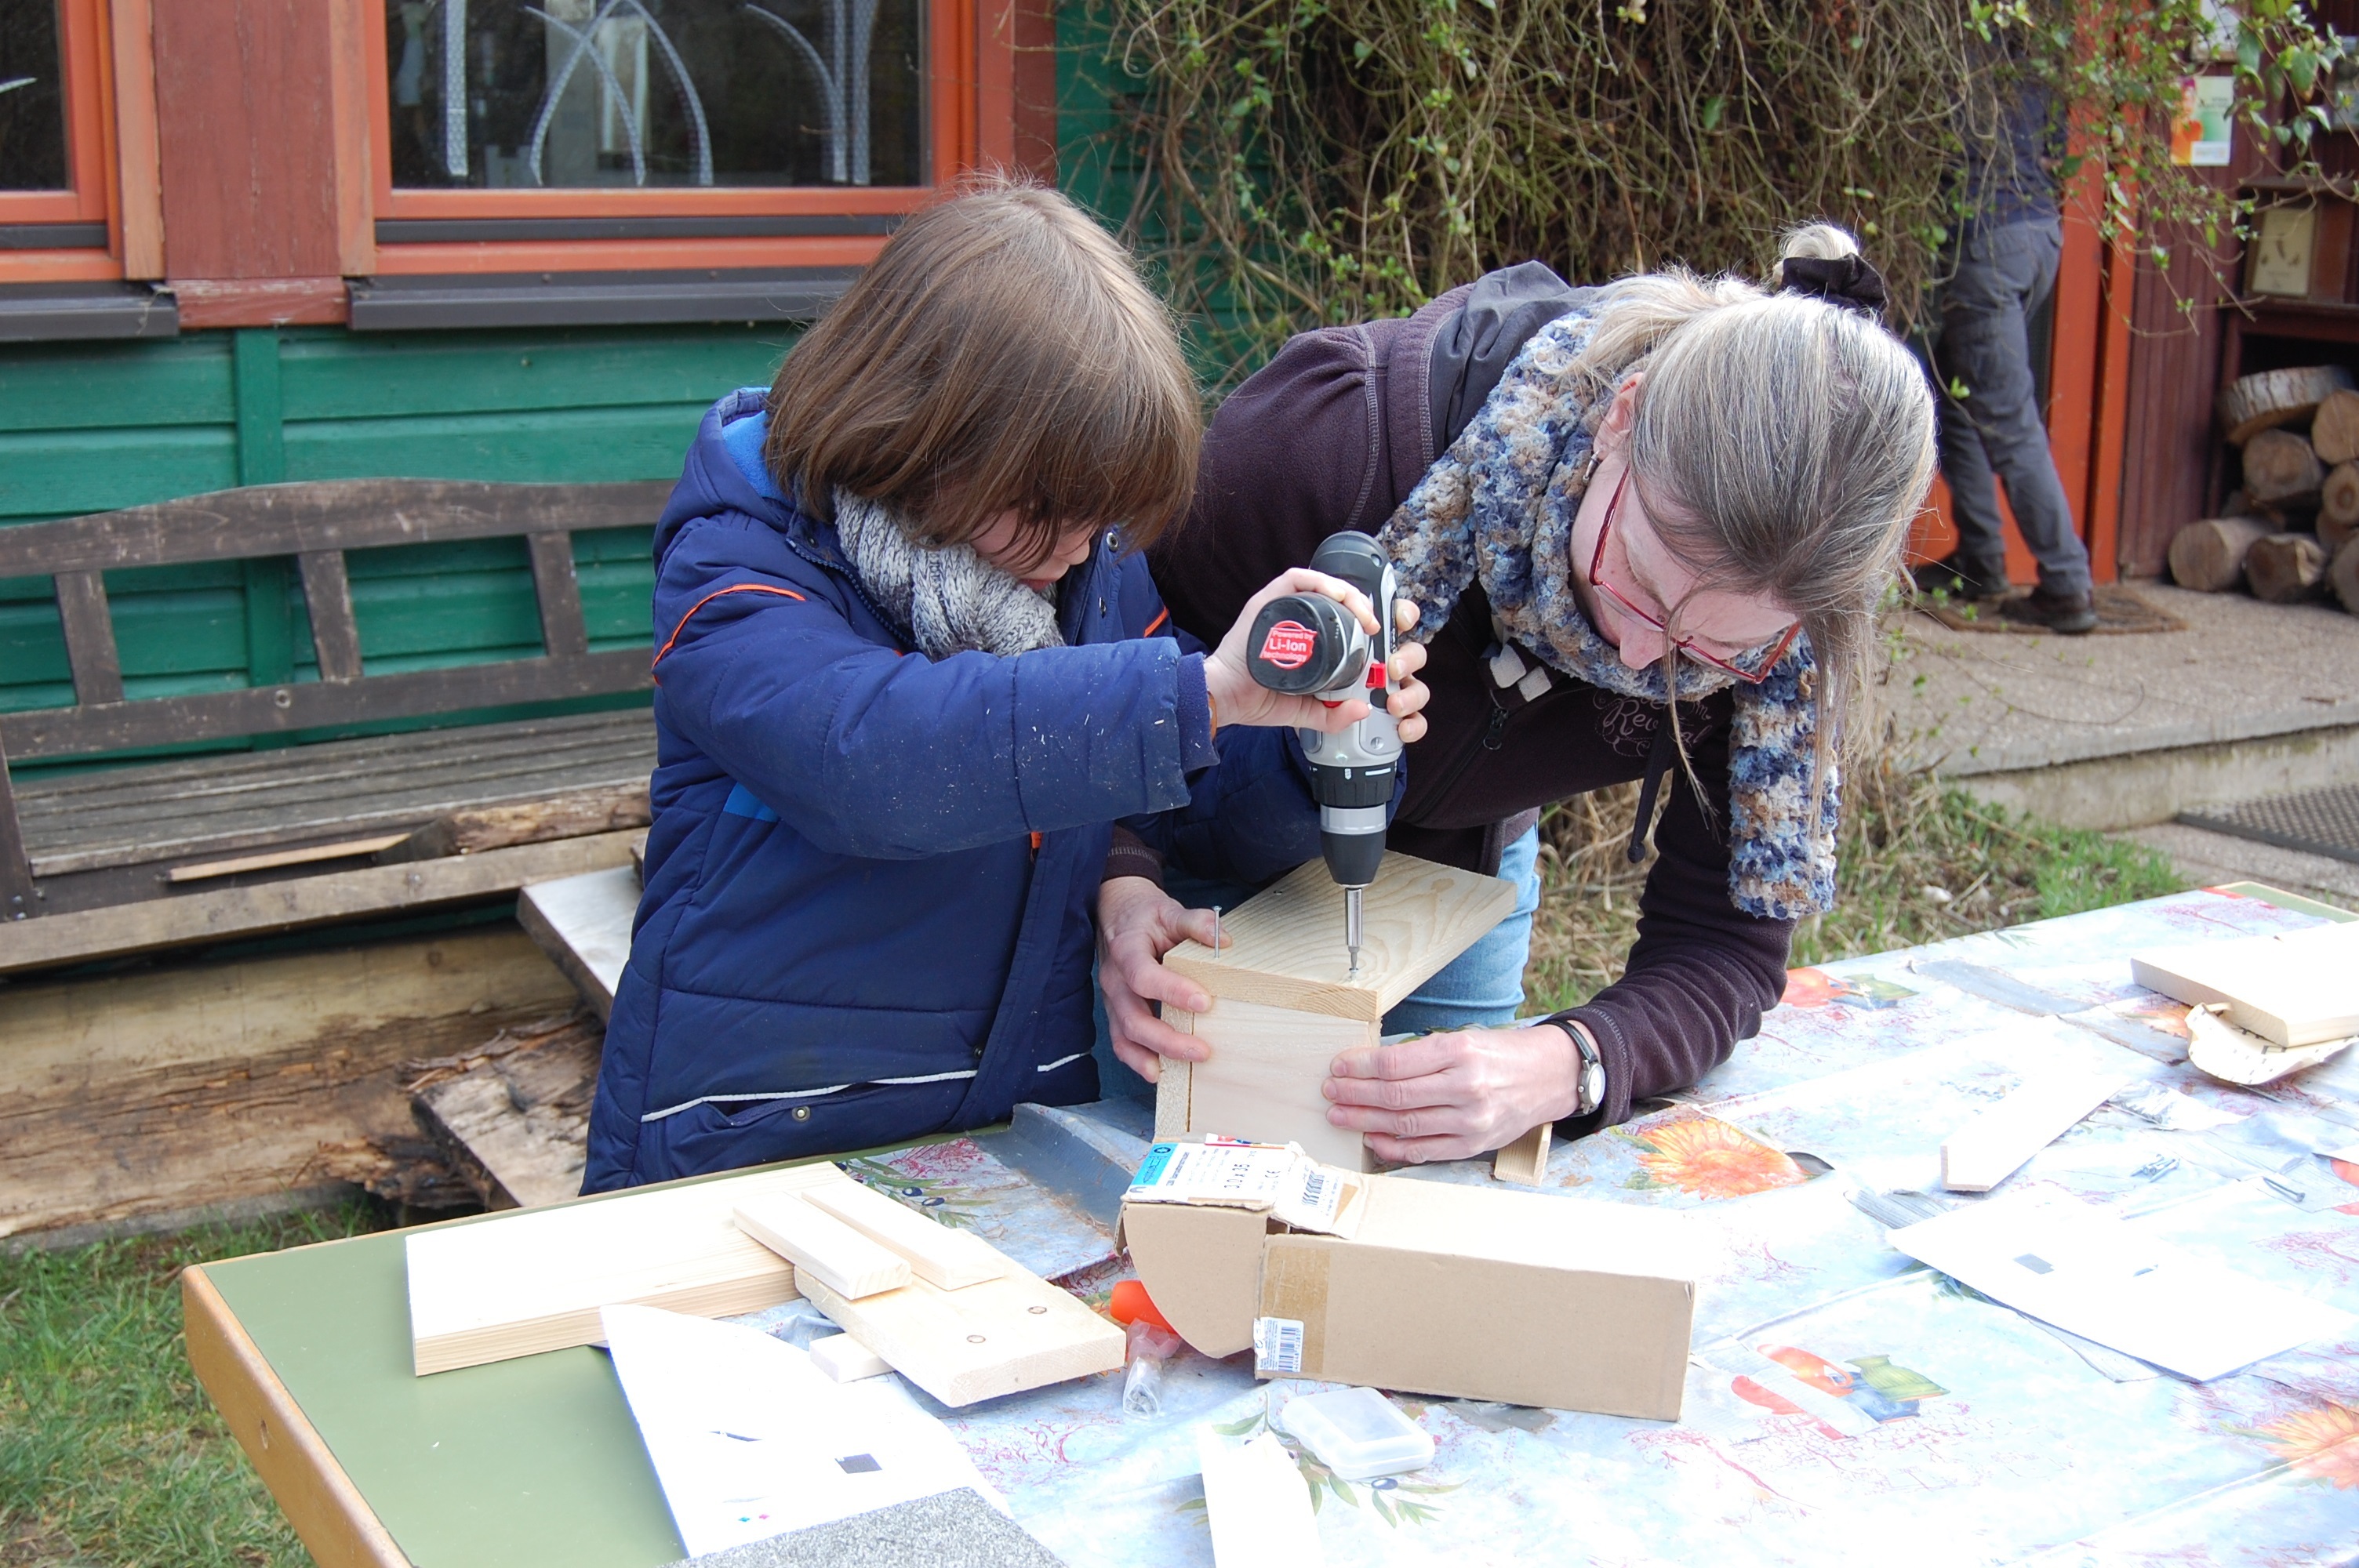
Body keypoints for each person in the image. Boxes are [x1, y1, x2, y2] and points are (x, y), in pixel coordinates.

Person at [581, 181, 1429, 1192]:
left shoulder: (1081, 568)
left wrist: (1304, 734)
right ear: (923, 430)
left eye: (1098, 517)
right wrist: (1199, 691)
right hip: (750, 1137)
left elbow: (1181, 805)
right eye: (1050, 509)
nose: (1079, 549)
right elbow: (875, 761)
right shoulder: (738, 564)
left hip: (999, 1135)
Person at [1100, 226, 1936, 1164]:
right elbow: (1113, 647)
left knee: (1427, 1192)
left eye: (1709, 650)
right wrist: (1123, 868)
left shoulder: (1786, 642)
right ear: (1622, 416)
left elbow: (1726, 946)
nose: (1632, 650)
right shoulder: (1331, 441)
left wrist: (1564, 1062)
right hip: (1200, 840)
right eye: (1638, 585)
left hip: (1460, 871)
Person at [1912, 69, 2097, 633]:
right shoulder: (2025, 58)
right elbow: (2056, 155)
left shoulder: (1947, 49)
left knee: (2009, 421)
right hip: (2039, 233)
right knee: (1957, 401)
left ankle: (2066, 584)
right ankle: (1981, 559)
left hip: (1986, 243)